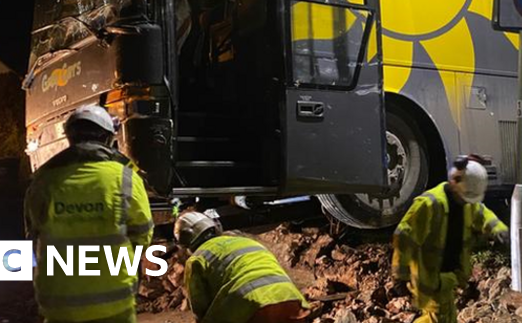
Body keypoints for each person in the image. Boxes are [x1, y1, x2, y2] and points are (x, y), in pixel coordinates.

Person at [25, 105, 153, 323]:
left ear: (70, 138)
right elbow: (142, 235)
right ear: (107, 138)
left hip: (59, 306)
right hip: (115, 303)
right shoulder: (125, 177)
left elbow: (32, 238)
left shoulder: (42, 181)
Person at [392, 155, 509, 323]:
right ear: (454, 182)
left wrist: (499, 230)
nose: (466, 202)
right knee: (437, 318)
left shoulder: (467, 201)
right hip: (429, 277)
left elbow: (483, 215)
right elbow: (404, 238)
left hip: (450, 275)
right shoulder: (429, 204)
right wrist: (400, 275)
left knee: (447, 317)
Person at [175, 210, 310, 323]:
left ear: (186, 245)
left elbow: (200, 307)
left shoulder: (197, 259)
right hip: (291, 301)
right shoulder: (246, 242)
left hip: (249, 308)